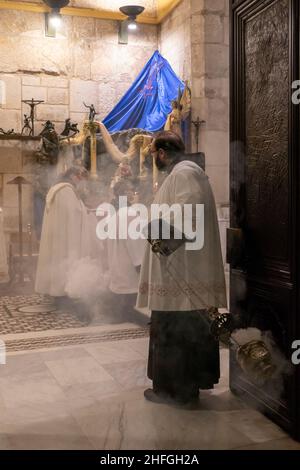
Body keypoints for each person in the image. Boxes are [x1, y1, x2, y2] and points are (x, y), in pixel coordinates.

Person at [137, 131, 227, 405]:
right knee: (181, 325)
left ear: (162, 153)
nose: (154, 160)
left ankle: (176, 391)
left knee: (175, 328)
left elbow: (189, 209)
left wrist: (158, 234)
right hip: (180, 269)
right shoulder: (183, 172)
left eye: (154, 154)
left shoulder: (184, 173)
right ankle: (184, 386)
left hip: (180, 271)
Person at [35, 166, 96, 306]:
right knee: (63, 259)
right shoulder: (66, 191)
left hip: (57, 235)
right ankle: (61, 292)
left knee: (55, 260)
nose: (80, 182)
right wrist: (87, 212)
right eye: (79, 178)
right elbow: (75, 213)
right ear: (73, 176)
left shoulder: (55, 189)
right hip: (65, 236)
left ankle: (54, 291)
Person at [106, 178, 146, 324]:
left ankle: (121, 314)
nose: (133, 193)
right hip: (128, 268)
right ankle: (128, 315)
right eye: (130, 190)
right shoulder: (130, 214)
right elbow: (135, 242)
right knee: (130, 302)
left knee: (121, 293)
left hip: (117, 265)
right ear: (125, 193)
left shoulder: (116, 213)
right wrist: (140, 264)